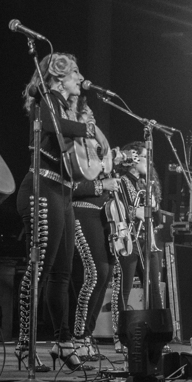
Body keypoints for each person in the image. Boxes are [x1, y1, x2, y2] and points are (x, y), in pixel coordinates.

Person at [16, 53, 95, 373]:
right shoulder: (43, 101)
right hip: (40, 188)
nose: (80, 77)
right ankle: (24, 344)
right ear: (58, 77)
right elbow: (56, 126)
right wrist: (85, 128)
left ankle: (63, 343)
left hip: (62, 193)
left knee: (63, 272)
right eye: (75, 71)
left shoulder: (67, 108)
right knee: (39, 270)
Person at [69, 97, 121, 359]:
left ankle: (87, 337)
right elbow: (67, 186)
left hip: (103, 214)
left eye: (91, 113)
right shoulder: (71, 146)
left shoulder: (98, 147)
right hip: (82, 211)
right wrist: (102, 186)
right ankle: (76, 337)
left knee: (106, 272)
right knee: (94, 273)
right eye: (84, 114)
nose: (90, 116)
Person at [115, 141, 164, 315]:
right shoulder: (121, 181)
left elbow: (156, 219)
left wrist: (153, 205)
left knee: (154, 290)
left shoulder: (146, 184)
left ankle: (158, 334)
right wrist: (137, 211)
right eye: (145, 157)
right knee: (124, 290)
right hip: (129, 240)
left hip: (147, 240)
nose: (149, 162)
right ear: (133, 159)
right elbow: (119, 209)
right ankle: (120, 334)